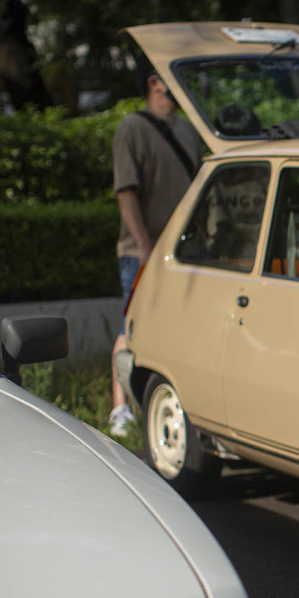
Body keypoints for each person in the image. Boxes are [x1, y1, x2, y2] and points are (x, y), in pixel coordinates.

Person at [108, 70, 204, 436]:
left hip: (185, 253)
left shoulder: (187, 131)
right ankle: (120, 408)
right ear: (153, 81)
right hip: (142, 252)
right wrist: (145, 247)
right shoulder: (131, 128)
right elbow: (125, 192)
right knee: (130, 327)